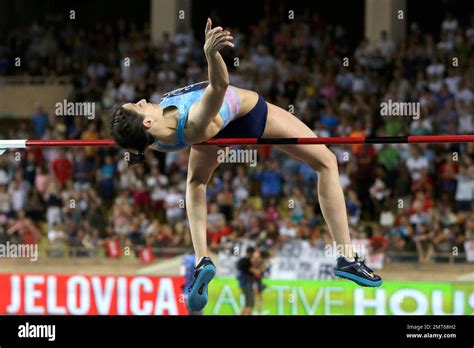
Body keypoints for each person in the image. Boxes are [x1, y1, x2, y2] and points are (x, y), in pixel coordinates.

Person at [110, 18, 382, 311]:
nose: (140, 100)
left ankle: (203, 257)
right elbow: (220, 85)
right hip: (248, 118)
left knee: (196, 183)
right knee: (326, 162)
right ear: (147, 122)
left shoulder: (152, 140)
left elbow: (133, 136)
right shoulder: (194, 121)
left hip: (208, 137)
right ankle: (346, 256)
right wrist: (211, 54)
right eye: (138, 107)